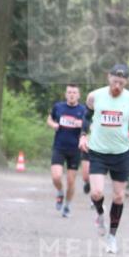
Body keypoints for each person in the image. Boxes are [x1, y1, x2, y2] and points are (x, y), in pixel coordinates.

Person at [78, 63, 129, 254]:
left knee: (118, 196)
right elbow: (86, 117)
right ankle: (100, 214)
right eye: (115, 82)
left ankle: (112, 237)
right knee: (97, 192)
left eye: (121, 83)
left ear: (126, 82)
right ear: (108, 78)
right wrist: (83, 135)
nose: (117, 86)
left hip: (121, 153)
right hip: (98, 151)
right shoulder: (95, 96)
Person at [46, 84, 87, 217]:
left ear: (78, 95)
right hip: (59, 147)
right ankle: (59, 192)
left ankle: (67, 206)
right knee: (56, 176)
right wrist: (54, 125)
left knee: (71, 181)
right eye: (69, 92)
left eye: (74, 92)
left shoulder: (83, 110)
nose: (71, 95)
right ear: (66, 94)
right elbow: (49, 119)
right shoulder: (58, 107)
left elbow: (90, 125)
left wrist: (82, 126)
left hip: (75, 149)